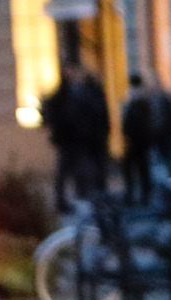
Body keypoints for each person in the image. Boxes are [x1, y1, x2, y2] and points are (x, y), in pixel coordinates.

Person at [43, 58, 109, 210]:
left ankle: (84, 198)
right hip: (69, 139)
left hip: (80, 139)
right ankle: (65, 200)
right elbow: (55, 112)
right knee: (66, 172)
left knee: (83, 171)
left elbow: (95, 114)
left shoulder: (86, 91)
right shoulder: (64, 92)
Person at [119, 74, 171, 204]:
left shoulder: (141, 103)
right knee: (139, 169)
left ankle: (145, 194)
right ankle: (139, 194)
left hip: (141, 142)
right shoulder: (139, 102)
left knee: (142, 169)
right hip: (139, 142)